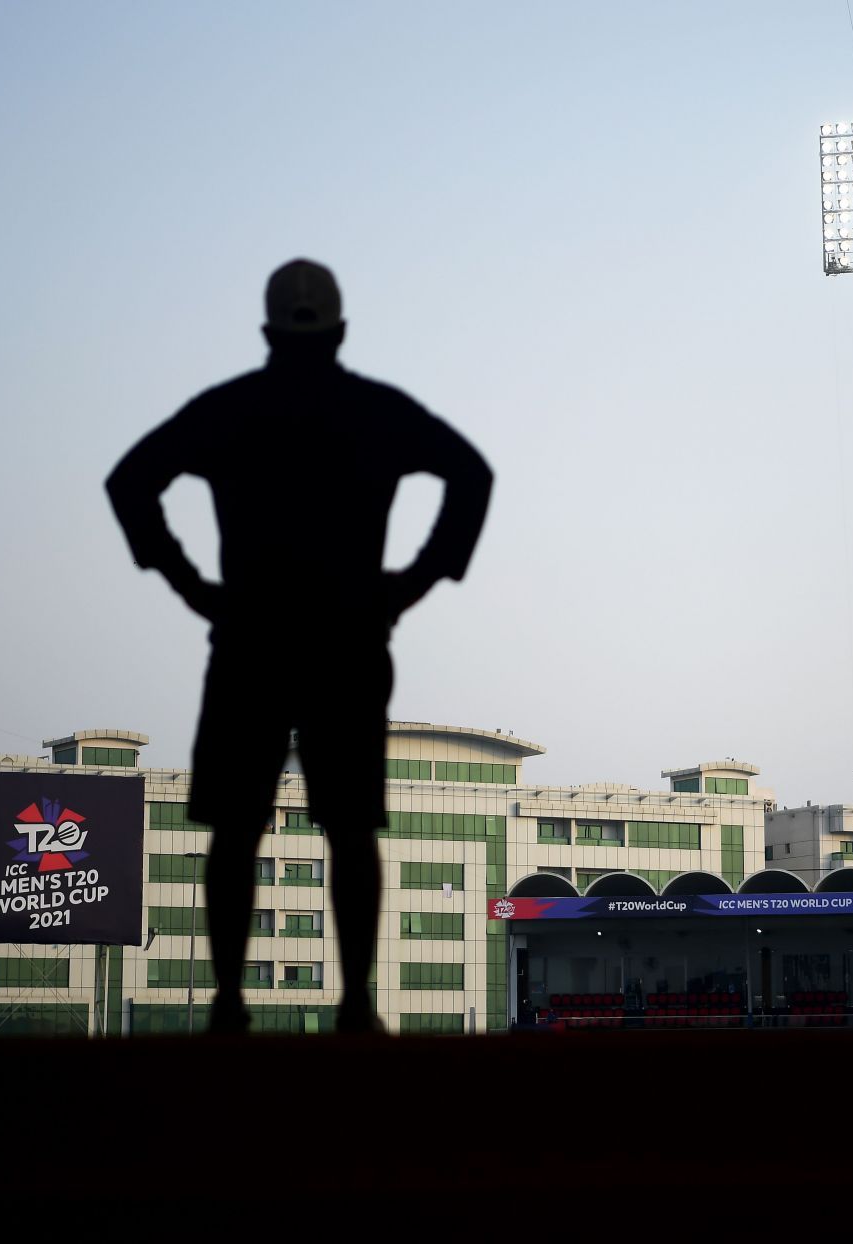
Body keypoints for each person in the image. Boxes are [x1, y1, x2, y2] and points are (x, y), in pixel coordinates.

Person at [107, 258, 493, 1034]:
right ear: (341, 329)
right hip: (349, 640)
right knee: (351, 825)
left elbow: (130, 482)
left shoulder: (230, 410)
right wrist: (413, 583)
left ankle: (227, 1002)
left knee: (237, 826)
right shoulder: (376, 412)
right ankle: (355, 1002)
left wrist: (190, 585)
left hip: (250, 637)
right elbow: (471, 476)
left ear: (266, 329)